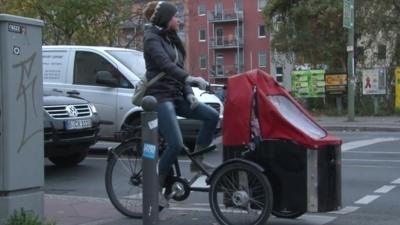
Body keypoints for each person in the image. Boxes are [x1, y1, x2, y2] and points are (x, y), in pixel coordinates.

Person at [142, 1, 219, 207]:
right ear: (165, 20)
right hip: (160, 97)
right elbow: (166, 67)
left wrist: (189, 93)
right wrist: (190, 79)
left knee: (211, 116)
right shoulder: (151, 39)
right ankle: (154, 188)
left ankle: (197, 163)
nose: (179, 19)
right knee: (175, 144)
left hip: (176, 95)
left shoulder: (170, 39)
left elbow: (177, 69)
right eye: (175, 16)